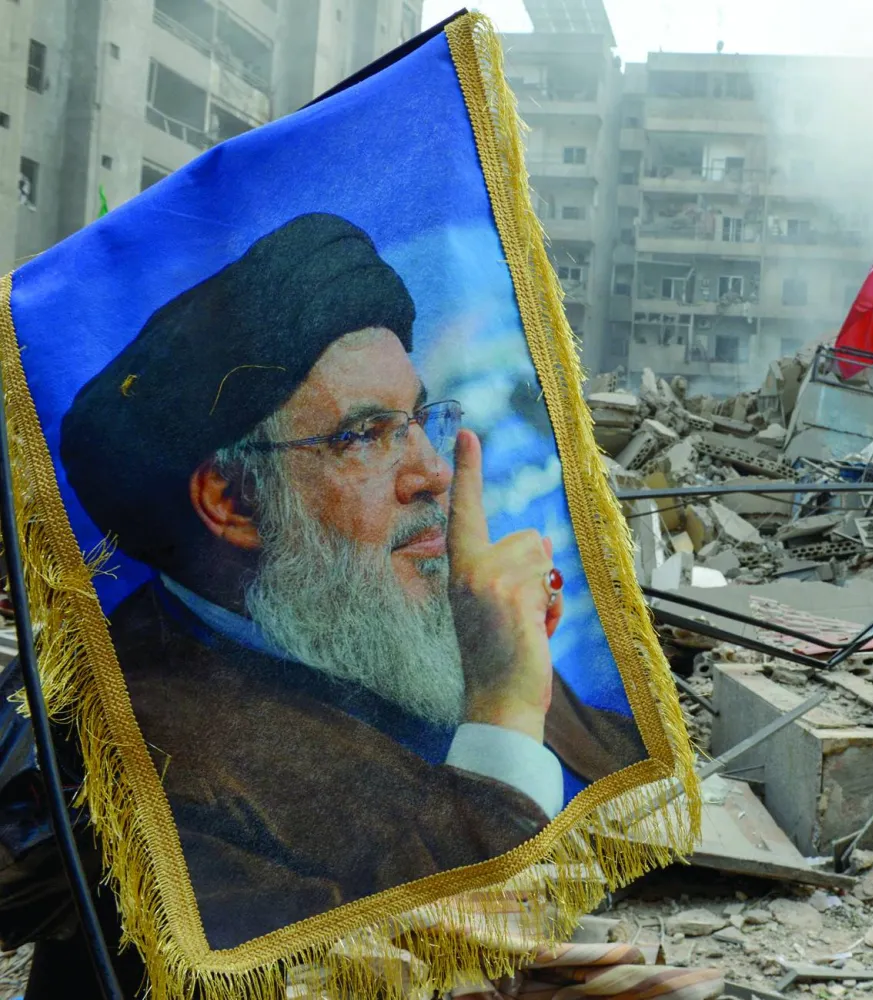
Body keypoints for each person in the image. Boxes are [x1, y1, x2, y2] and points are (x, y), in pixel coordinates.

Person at [58, 213, 646, 950]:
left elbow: (628, 796)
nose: (433, 471)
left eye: (421, 417)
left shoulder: (383, 613)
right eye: (365, 435)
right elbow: (429, 959)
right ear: (232, 503)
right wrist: (500, 708)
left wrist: (510, 667)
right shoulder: (139, 757)